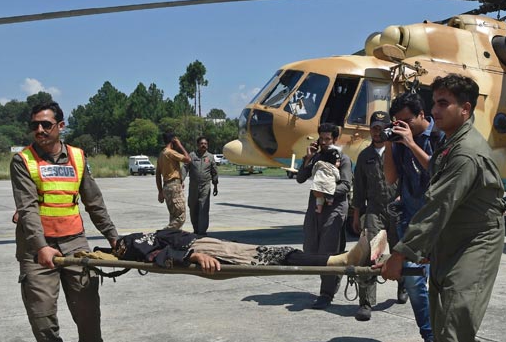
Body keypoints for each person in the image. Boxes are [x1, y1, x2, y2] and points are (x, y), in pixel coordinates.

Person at [379, 74, 506, 342]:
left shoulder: (466, 152)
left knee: (454, 333)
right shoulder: (451, 143)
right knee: (442, 331)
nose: (434, 110)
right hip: (450, 239)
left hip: (476, 241)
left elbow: (437, 205)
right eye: (434, 102)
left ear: (465, 108)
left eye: (443, 103)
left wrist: (401, 254)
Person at [11, 101, 120, 342]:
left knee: (87, 309)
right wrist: (41, 246)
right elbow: (27, 208)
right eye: (34, 124)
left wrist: (113, 237)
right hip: (37, 249)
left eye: (46, 124)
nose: (39, 129)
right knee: (41, 314)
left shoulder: (78, 158)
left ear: (61, 126)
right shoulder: (23, 161)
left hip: (74, 242)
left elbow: (94, 203)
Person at [383, 91, 443, 342]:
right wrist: (390, 146)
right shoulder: (398, 140)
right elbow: (391, 178)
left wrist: (410, 143)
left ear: (422, 115)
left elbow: (438, 171)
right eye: (397, 122)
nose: (401, 126)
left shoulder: (440, 136)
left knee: (443, 285)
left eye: (406, 121)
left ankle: (448, 337)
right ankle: (429, 338)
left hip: (440, 222)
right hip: (411, 220)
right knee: (414, 281)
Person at [108, 229, 386, 274]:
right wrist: (192, 257)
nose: (116, 246)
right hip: (204, 249)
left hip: (208, 243)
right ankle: (343, 259)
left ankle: (344, 258)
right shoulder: (132, 244)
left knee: (276, 251)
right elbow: (157, 257)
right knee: (277, 255)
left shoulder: (134, 239)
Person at [296, 123, 352, 310]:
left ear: (335, 140)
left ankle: (326, 293)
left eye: (329, 139)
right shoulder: (316, 157)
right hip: (315, 209)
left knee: (328, 251)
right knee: (311, 249)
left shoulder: (343, 159)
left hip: (334, 208)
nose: (325, 142)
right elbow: (300, 178)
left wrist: (326, 191)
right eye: (322, 139)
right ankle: (333, 278)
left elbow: (345, 185)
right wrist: (308, 158)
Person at [351, 111, 397, 321]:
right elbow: (358, 188)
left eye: (381, 128)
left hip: (398, 209)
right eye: (374, 128)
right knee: (369, 253)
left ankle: (404, 285)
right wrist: (356, 214)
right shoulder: (364, 156)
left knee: (401, 250)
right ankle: (366, 302)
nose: (377, 132)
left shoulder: (398, 151)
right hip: (375, 210)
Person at [182, 136, 218, 235]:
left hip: (205, 185)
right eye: (201, 144)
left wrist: (215, 185)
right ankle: (196, 229)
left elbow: (214, 172)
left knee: (203, 207)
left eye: (205, 144)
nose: (203, 145)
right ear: (198, 145)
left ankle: (202, 232)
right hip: (193, 186)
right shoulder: (192, 156)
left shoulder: (210, 157)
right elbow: (185, 167)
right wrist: (181, 179)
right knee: (193, 207)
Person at [156, 132, 191, 230]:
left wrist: (160, 191)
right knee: (180, 216)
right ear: (173, 141)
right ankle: (163, 234)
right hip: (174, 186)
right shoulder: (170, 152)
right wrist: (180, 145)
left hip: (166, 186)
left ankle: (171, 239)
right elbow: (188, 159)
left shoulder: (161, 154)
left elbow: (158, 174)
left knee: (173, 216)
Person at [310, 145, 342, 213]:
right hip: (328, 185)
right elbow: (337, 177)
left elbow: (314, 170)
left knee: (319, 198)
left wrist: (314, 177)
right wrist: (338, 180)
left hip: (317, 185)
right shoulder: (334, 168)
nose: (339, 163)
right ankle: (329, 201)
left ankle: (319, 208)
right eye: (338, 161)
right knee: (330, 192)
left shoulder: (320, 164)